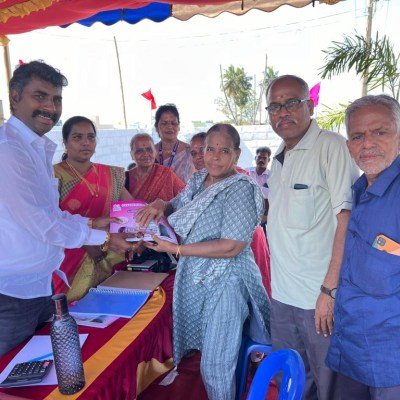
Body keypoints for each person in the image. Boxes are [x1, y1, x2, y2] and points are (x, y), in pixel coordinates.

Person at [0, 60, 135, 357]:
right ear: (15, 97)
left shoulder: (35, 148)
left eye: (56, 99)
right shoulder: (8, 150)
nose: (50, 107)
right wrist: (106, 237)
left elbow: (52, 214)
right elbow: (43, 224)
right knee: (12, 375)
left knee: (40, 369)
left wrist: (94, 224)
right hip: (11, 294)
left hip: (41, 286)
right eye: (40, 96)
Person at [136, 123, 271, 400]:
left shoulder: (241, 188)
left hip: (228, 281)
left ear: (236, 154)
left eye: (224, 151)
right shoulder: (200, 180)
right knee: (209, 356)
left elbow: (232, 246)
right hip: (198, 275)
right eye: (210, 149)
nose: (215, 157)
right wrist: (160, 205)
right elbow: (177, 204)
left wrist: (176, 248)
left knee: (215, 367)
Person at [266, 75, 359, 399]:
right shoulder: (280, 156)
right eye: (275, 106)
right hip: (282, 296)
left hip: (318, 299)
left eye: (292, 103)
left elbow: (346, 219)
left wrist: (329, 292)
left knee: (329, 384)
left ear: (310, 105)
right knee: (292, 381)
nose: (283, 112)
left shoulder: (331, 147)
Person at [326, 95, 400, 399]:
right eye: (357, 136)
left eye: (380, 132)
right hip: (351, 347)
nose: (367, 143)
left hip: (390, 360)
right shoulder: (359, 189)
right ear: (349, 146)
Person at [53, 116, 133, 302]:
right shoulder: (53, 176)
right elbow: (51, 222)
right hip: (70, 259)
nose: (85, 142)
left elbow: (129, 209)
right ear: (65, 142)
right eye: (77, 137)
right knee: (74, 311)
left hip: (110, 254)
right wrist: (90, 243)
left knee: (112, 309)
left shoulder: (111, 174)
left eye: (90, 137)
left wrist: (138, 234)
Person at [189, 129, 272, 298]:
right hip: (213, 251)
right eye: (194, 153)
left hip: (245, 243)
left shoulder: (238, 178)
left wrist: (177, 249)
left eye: (203, 149)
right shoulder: (198, 180)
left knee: (248, 293)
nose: (199, 156)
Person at [125, 133, 185, 202]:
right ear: (132, 155)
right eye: (139, 151)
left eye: (149, 150)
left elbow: (185, 196)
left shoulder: (166, 174)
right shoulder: (123, 179)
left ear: (155, 152)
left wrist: (165, 205)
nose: (145, 154)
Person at [154, 103, 195, 182]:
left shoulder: (190, 152)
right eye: (164, 123)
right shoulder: (149, 153)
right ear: (156, 127)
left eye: (174, 123)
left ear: (179, 127)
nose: (169, 126)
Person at [246, 146, 271, 230]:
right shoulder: (246, 172)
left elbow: (272, 198)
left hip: (264, 216)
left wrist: (265, 217)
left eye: (264, 158)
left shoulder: (272, 176)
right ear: (255, 158)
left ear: (268, 160)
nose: (261, 160)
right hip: (247, 212)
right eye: (259, 157)